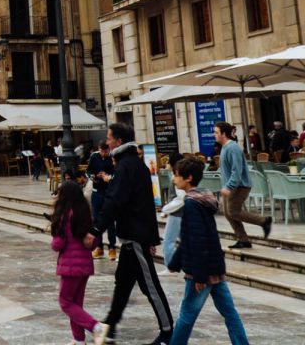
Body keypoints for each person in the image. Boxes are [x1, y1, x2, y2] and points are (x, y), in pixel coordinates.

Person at [90, 122, 173, 345]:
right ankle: (110, 325)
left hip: (135, 236)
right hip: (133, 236)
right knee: (123, 283)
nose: (106, 142)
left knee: (150, 285)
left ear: (118, 141)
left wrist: (96, 229)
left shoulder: (126, 167)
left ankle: (167, 332)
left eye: (109, 138)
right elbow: (145, 204)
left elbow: (114, 201)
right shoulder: (135, 165)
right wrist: (152, 237)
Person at [167, 157, 250, 345]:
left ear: (188, 178)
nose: (173, 178)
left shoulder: (192, 204)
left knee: (187, 315)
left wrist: (199, 275)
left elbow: (197, 240)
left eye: (177, 175)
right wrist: (174, 263)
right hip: (215, 266)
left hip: (202, 269)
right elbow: (189, 237)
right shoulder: (202, 199)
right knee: (229, 313)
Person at [50, 180, 108, 345]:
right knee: (76, 304)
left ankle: (96, 327)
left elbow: (58, 244)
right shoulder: (85, 213)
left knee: (65, 302)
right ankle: (79, 340)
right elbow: (93, 243)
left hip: (70, 266)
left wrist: (53, 239)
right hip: (85, 265)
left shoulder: (64, 215)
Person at [215, 122, 272, 250]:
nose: (214, 135)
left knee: (234, 211)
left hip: (239, 186)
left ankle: (263, 221)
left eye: (216, 132)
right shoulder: (224, 147)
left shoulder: (233, 148)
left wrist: (229, 186)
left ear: (224, 134)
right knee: (228, 214)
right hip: (229, 186)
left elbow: (237, 170)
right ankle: (243, 239)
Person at [87, 140, 117, 261]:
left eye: (105, 151)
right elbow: (88, 171)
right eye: (102, 151)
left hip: (108, 192)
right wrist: (94, 177)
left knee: (110, 221)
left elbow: (116, 173)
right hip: (96, 192)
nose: (103, 153)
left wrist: (108, 177)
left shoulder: (113, 158)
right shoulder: (94, 156)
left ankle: (112, 247)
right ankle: (98, 246)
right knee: (96, 220)